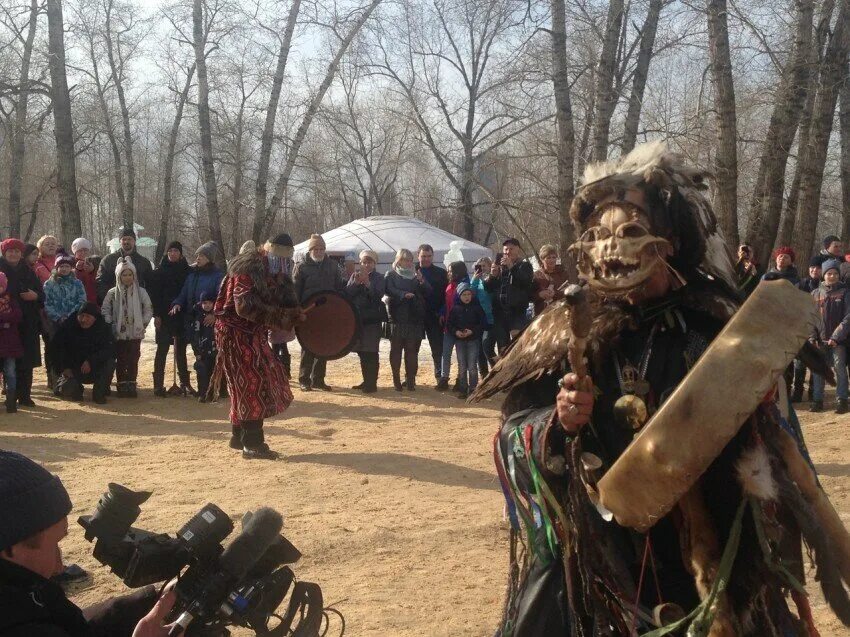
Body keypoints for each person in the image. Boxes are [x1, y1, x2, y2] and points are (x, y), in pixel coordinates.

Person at [478, 143, 848, 636]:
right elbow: (511, 433)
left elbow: (776, 443)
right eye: (596, 236)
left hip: (709, 545)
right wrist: (557, 421)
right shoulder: (566, 329)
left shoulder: (718, 322)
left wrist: (753, 417)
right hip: (606, 553)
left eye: (630, 232)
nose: (610, 249)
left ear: (667, 243)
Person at [0, 450, 180, 636]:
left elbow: (77, 626)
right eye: (54, 545)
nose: (60, 566)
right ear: (10, 549)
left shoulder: (24, 588)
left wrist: (151, 599)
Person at [211, 239, 304, 460]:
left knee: (246, 384)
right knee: (251, 383)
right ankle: (252, 443)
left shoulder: (277, 271)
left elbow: (284, 299)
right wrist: (282, 317)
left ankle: (239, 437)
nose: (284, 264)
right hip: (234, 333)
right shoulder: (246, 269)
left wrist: (294, 314)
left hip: (253, 333)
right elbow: (244, 306)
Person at [169, 242, 224, 395]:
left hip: (208, 321)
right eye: (197, 255)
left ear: (209, 258)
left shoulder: (217, 276)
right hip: (191, 320)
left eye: (202, 255)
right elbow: (184, 293)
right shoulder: (192, 275)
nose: (198, 258)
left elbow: (222, 298)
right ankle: (195, 386)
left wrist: (214, 314)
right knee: (197, 354)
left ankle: (213, 388)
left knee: (209, 356)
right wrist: (177, 303)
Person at [293, 234, 342, 391]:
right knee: (308, 345)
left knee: (323, 345)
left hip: (326, 311)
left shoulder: (332, 266)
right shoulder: (301, 267)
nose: (319, 252)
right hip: (308, 311)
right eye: (316, 249)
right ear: (311, 249)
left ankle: (318, 379)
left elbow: (338, 288)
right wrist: (298, 308)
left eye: (322, 249)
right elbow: (295, 291)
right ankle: (304, 379)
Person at [0, 239, 43, 407]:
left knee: (26, 359)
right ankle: (10, 394)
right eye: (10, 251)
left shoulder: (28, 270)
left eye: (17, 251)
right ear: (4, 253)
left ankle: (24, 395)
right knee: (5, 359)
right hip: (4, 324)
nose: (13, 254)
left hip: (27, 321)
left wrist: (36, 296)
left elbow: (41, 293)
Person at [101, 259, 153, 398]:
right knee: (121, 359)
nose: (128, 277)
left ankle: (131, 383)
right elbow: (105, 309)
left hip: (135, 332)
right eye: (124, 275)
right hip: (119, 332)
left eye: (130, 274)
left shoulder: (141, 292)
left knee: (133, 359)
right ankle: (122, 384)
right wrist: (110, 322)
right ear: (119, 276)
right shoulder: (112, 293)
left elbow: (148, 308)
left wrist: (143, 323)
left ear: (134, 276)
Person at [49, 303, 115, 404]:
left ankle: (100, 391)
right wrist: (64, 368)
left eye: (88, 317)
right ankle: (76, 390)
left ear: (95, 318)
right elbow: (55, 350)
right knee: (68, 389)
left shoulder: (103, 328)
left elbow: (109, 350)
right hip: (73, 368)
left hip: (95, 367)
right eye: (81, 316)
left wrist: (91, 361)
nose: (83, 320)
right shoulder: (68, 327)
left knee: (110, 363)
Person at [385, 248, 431, 391]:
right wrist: (403, 294)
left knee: (412, 351)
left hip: (413, 317)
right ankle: (396, 380)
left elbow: (428, 291)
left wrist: (422, 281)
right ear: (398, 260)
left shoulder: (415, 276)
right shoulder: (391, 275)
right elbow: (388, 289)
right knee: (396, 350)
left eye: (410, 260)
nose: (408, 262)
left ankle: (410, 380)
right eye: (405, 259)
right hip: (397, 316)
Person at [149, 242, 191, 397]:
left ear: (180, 253)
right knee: (162, 349)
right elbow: (155, 296)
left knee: (181, 351)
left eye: (176, 251)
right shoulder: (159, 272)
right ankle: (158, 385)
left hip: (181, 316)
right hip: (164, 316)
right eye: (170, 251)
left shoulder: (188, 271)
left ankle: (185, 383)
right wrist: (157, 315)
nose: (173, 253)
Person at [810, 259, 850, 414]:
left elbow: (848, 317)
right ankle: (817, 400)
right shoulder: (815, 293)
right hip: (819, 340)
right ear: (823, 275)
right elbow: (810, 318)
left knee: (840, 368)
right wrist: (812, 337)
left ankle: (842, 400)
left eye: (835, 273)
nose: (832, 276)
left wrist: (836, 337)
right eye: (829, 273)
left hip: (838, 341)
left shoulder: (845, 292)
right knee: (818, 370)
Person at [346, 249, 386, 393]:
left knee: (371, 351)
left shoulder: (379, 278)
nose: (366, 265)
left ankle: (372, 383)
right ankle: (366, 380)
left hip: (372, 319)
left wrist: (368, 283)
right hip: (358, 318)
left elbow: (378, 295)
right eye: (364, 262)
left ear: (374, 263)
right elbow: (347, 294)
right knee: (362, 351)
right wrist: (356, 283)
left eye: (369, 262)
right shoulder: (354, 275)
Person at [486, 238, 534, 354]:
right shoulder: (501, 267)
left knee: (518, 345)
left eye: (511, 249)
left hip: (517, 312)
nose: (508, 252)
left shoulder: (525, 266)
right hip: (500, 313)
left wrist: (512, 266)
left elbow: (525, 281)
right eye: (506, 249)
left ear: (518, 250)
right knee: (503, 348)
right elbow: (489, 288)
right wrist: (493, 276)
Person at [264, 234, 297, 378]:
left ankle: (282, 371)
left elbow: (289, 284)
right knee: (274, 342)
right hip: (268, 306)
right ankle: (276, 370)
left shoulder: (288, 265)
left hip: (283, 306)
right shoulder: (263, 263)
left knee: (280, 342)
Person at [416, 244, 448, 387]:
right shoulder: (410, 270)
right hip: (415, 316)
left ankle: (440, 376)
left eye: (429, 256)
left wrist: (442, 312)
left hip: (435, 315)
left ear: (433, 256)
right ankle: (410, 377)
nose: (426, 259)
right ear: (418, 256)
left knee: (437, 348)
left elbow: (445, 296)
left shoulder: (441, 273)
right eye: (423, 256)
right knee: (412, 348)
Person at [447, 283, 485, 399]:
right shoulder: (455, 308)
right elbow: (450, 324)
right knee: (462, 366)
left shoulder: (477, 308)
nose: (467, 297)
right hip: (460, 341)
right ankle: (463, 389)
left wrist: (472, 331)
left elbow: (482, 324)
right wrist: (456, 332)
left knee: (472, 366)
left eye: (469, 294)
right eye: (464, 294)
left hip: (473, 340)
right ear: (459, 295)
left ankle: (473, 389)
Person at [96, 227, 153, 304]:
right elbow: (100, 282)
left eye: (129, 239)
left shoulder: (144, 262)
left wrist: (144, 301)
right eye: (124, 239)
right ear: (120, 241)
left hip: (137, 304)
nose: (126, 242)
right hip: (115, 304)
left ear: (134, 241)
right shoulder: (108, 260)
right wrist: (110, 299)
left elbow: (150, 285)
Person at [43, 255, 87, 331]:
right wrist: (58, 317)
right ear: (57, 268)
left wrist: (70, 316)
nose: (64, 269)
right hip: (55, 322)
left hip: (74, 320)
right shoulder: (49, 284)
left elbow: (82, 301)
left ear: (71, 268)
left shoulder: (77, 283)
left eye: (67, 266)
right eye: (61, 266)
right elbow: (46, 302)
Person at [0, 273, 23, 413]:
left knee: (10, 372)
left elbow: (18, 315)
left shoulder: (11, 300)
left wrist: (4, 320)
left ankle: (11, 399)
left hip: (10, 343)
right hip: (7, 339)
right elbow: (11, 318)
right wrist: (6, 321)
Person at [470, 256, 495, 377]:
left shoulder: (492, 278)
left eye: (485, 265)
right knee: (480, 349)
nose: (482, 268)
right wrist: (475, 279)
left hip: (491, 317)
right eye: (480, 266)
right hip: (479, 318)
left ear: (490, 266)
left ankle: (496, 370)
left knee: (487, 346)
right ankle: (484, 374)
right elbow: (471, 293)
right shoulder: (476, 280)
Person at [190, 292, 217, 402]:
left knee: (214, 372)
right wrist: (197, 352)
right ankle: (202, 393)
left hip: (215, 350)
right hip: (203, 351)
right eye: (205, 303)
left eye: (210, 303)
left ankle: (214, 393)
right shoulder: (198, 319)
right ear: (200, 304)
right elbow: (195, 336)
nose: (207, 305)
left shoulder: (217, 318)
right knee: (202, 372)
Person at [532, 244, 568, 316]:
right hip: (543, 313)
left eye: (554, 257)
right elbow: (530, 296)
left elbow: (568, 291)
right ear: (542, 259)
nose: (552, 260)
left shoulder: (562, 272)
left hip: (561, 310)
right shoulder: (536, 276)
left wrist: (555, 293)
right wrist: (540, 295)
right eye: (548, 258)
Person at [71, 238, 98, 304]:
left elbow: (99, 281)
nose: (83, 253)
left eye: (85, 250)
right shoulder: (70, 263)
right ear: (75, 252)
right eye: (80, 250)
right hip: (77, 300)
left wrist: (92, 271)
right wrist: (77, 270)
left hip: (93, 300)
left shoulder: (95, 262)